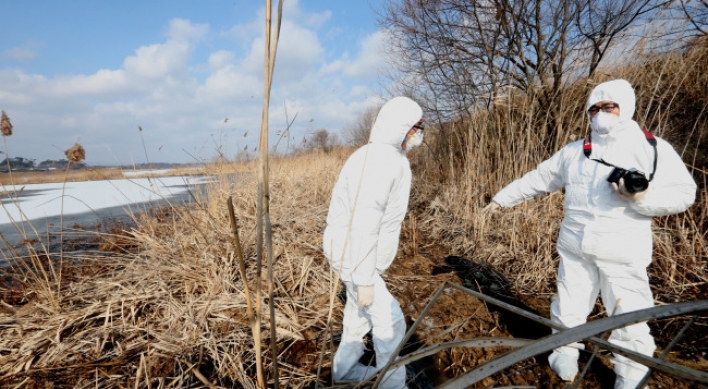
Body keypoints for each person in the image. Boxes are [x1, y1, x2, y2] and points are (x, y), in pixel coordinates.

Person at [483, 79, 696, 389]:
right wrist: (501, 199)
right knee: (568, 306)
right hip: (575, 248)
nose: (600, 114)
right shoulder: (574, 152)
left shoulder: (652, 149)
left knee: (630, 317)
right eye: (593, 108)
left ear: (625, 108)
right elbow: (539, 178)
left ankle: (632, 377)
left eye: (608, 106)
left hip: (622, 251)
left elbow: (684, 194)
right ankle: (564, 354)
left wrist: (642, 198)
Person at [323, 96, 424, 389]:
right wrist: (365, 278)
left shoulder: (390, 157)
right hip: (353, 253)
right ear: (399, 127)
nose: (419, 134)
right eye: (415, 127)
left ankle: (344, 373)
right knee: (390, 322)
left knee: (357, 317)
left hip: (358, 254)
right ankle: (392, 385)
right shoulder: (379, 161)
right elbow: (365, 221)